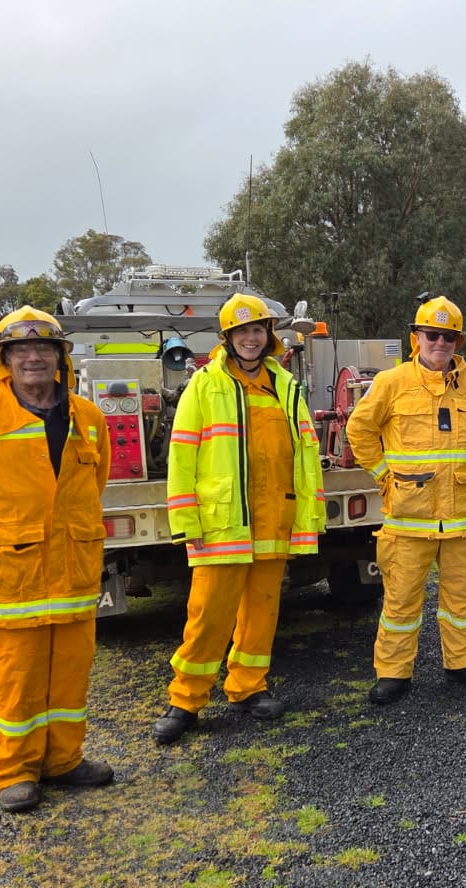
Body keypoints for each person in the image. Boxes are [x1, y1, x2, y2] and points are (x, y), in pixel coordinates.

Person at [0, 305, 114, 813]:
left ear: (60, 358)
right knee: (16, 676)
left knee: (70, 673)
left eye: (43, 348)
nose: (33, 357)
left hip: (74, 569)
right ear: (4, 359)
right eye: (21, 349)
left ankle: (64, 760)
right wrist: (0, 536)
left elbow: (92, 484)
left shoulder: (89, 417)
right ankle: (13, 771)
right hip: (10, 576)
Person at [153, 293, 325, 744]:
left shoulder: (284, 385)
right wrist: (186, 520)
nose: (251, 338)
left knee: (262, 611)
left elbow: (305, 455)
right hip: (221, 524)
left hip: (274, 518)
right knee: (208, 615)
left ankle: (249, 687)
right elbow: (182, 455)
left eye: (258, 330)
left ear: (268, 336)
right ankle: (185, 700)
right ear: (227, 338)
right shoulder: (205, 385)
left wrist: (307, 514)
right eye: (242, 331)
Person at [346, 296, 466, 705]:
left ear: (458, 342)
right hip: (409, 519)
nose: (440, 343)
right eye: (432, 334)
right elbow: (358, 430)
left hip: (464, 519)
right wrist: (383, 477)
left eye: (449, 337)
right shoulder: (392, 383)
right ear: (416, 338)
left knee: (464, 598)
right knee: (400, 599)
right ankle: (394, 672)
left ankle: (464, 661)